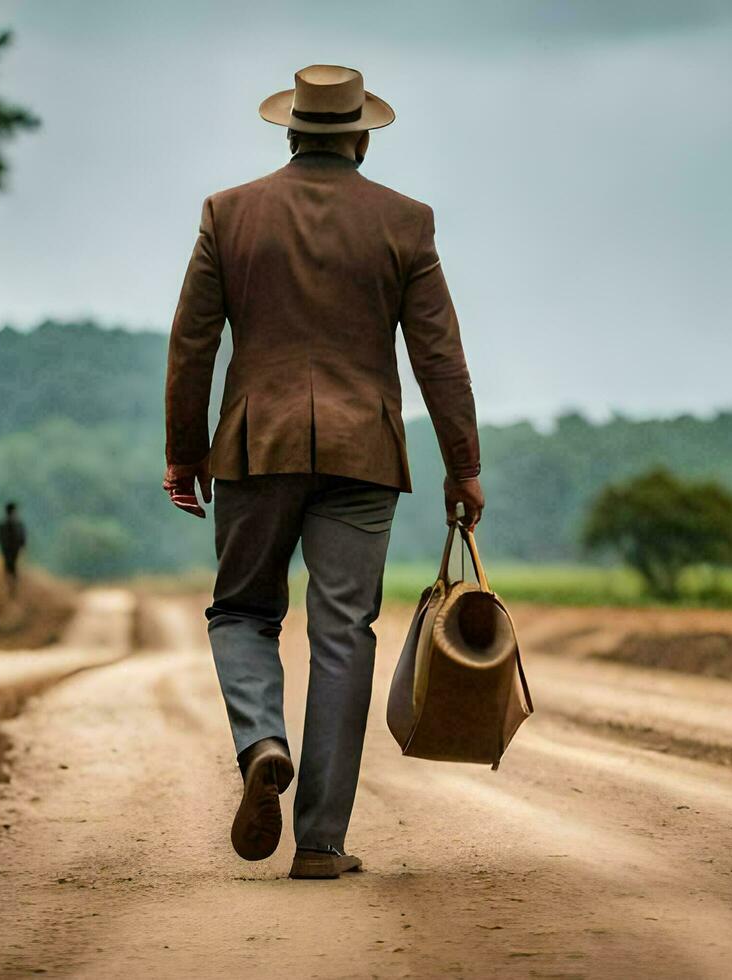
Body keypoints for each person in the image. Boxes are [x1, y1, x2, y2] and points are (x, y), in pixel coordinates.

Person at [163, 64, 484, 879]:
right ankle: (320, 842)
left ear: (292, 129)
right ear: (362, 137)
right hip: (363, 453)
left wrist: (184, 451)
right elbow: (439, 354)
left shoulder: (228, 214)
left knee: (242, 611)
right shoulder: (405, 222)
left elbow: (193, 344)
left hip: (254, 446)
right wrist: (463, 467)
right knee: (343, 634)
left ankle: (262, 741)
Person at [0, 501, 27, 597]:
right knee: (9, 569)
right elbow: (22, 539)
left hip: (12, 551)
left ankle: (12, 590)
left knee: (11, 569)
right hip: (9, 551)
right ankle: (11, 590)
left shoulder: (16, 525)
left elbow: (22, 539)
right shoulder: (12, 525)